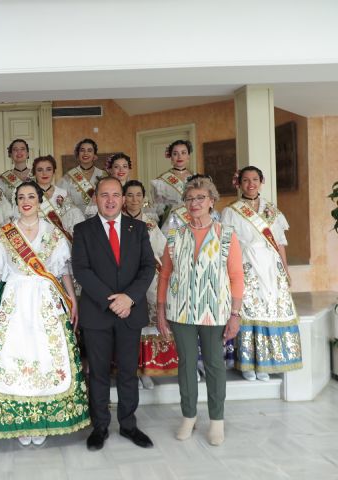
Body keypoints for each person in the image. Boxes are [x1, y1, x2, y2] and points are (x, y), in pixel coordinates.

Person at [0, 181, 90, 446]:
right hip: (13, 304)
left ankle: (43, 421)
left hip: (46, 303)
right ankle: (19, 423)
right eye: (21, 197)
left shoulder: (54, 234)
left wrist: (72, 300)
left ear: (40, 200)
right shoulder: (5, 234)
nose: (26, 201)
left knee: (48, 357)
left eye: (31, 196)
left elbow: (63, 271)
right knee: (13, 357)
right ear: (16, 201)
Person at [156, 176, 244, 446]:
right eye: (189, 198)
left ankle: (216, 420)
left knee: (215, 364)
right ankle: (189, 416)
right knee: (186, 364)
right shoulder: (175, 235)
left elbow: (237, 276)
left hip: (215, 310)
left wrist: (235, 314)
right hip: (180, 310)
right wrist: (160, 310)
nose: (194, 203)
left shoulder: (226, 234)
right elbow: (165, 275)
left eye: (200, 198)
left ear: (211, 201)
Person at [72, 176, 156, 451]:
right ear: (95, 198)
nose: (110, 200)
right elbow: (81, 270)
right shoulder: (83, 230)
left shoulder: (139, 228)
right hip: (98, 312)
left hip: (129, 312)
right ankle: (100, 427)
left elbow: (147, 268)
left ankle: (129, 425)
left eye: (115, 195)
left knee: (128, 372)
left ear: (123, 198)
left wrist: (129, 298)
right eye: (104, 195)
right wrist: (112, 301)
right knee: (97, 372)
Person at [221, 166, 302, 381]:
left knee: (270, 310)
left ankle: (266, 363)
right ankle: (248, 363)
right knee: (249, 311)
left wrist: (285, 269)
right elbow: (226, 245)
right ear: (239, 183)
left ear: (261, 181)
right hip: (246, 265)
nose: (250, 184)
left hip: (271, 266)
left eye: (255, 179)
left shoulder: (272, 211)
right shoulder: (231, 211)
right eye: (246, 180)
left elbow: (281, 244)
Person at [121, 181, 179, 390]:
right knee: (128, 327)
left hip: (148, 280)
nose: (134, 200)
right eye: (130, 195)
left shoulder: (150, 224)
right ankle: (130, 370)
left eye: (138, 195)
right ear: (123, 197)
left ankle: (146, 369)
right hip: (125, 281)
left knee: (147, 325)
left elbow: (163, 250)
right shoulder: (117, 222)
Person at [32, 155, 85, 240]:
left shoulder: (62, 193)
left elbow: (71, 220)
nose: (44, 173)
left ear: (54, 172)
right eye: (40, 170)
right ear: (34, 173)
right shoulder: (28, 193)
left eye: (48, 169)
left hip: (59, 240)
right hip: (36, 237)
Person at [150, 140, 194, 230]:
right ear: (171, 157)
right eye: (175, 153)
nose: (179, 156)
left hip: (194, 221)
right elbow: (158, 210)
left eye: (183, 153)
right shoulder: (161, 182)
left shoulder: (197, 179)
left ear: (188, 156)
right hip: (171, 224)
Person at [58, 138, 106, 216]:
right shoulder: (68, 177)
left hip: (99, 219)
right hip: (77, 219)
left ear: (94, 155)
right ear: (78, 154)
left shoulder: (103, 175)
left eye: (89, 150)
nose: (85, 153)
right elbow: (61, 200)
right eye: (82, 150)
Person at [85, 152, 133, 217]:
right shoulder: (101, 189)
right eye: (116, 167)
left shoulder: (135, 189)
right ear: (110, 170)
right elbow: (93, 217)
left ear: (129, 169)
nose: (121, 170)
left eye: (125, 166)